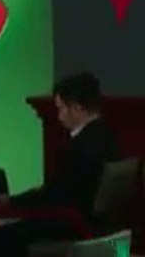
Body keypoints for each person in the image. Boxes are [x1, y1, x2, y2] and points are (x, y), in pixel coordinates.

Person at [16, 73, 123, 218]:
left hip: (74, 222)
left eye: (61, 108)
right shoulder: (109, 137)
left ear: (77, 108)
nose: (59, 116)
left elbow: (55, 196)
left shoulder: (80, 148)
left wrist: (12, 202)